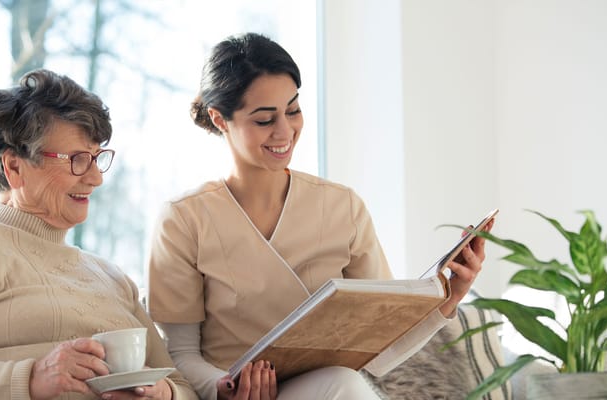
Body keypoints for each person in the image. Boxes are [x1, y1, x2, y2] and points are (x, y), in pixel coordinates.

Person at [146, 33, 493, 400]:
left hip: (334, 389)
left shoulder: (343, 208)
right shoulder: (183, 219)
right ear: (219, 119)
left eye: (293, 111)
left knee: (341, 383)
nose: (285, 131)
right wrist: (223, 388)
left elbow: (382, 349)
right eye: (265, 119)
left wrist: (449, 298)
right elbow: (180, 354)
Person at [0, 69, 199, 400]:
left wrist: (163, 394)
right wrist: (30, 379)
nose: (96, 178)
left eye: (97, 158)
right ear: (14, 167)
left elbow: (183, 388)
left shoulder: (113, 278)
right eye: (77, 159)